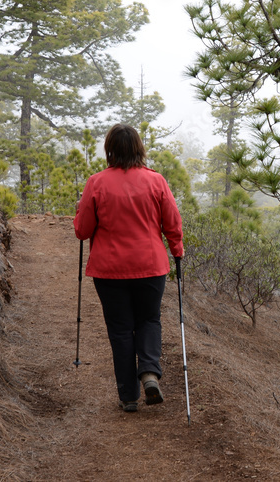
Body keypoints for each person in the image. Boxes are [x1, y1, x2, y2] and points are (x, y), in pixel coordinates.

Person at [73, 124, 184, 413]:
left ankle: (128, 396)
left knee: (120, 330)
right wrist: (177, 251)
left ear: (110, 149)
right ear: (139, 148)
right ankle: (149, 372)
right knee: (149, 320)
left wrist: (79, 211)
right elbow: (172, 222)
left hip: (109, 270)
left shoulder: (96, 183)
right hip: (150, 266)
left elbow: (83, 231)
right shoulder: (156, 181)